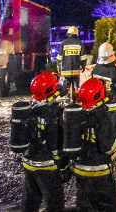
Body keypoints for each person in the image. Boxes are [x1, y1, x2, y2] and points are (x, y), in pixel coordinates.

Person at [13, 71, 68, 212]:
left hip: (29, 164)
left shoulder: (30, 108)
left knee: (30, 201)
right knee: (54, 203)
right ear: (50, 90)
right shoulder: (52, 113)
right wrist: (63, 166)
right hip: (47, 167)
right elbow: (54, 145)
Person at [71, 78, 116, 211]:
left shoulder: (75, 115)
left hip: (80, 172)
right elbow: (110, 148)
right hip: (100, 174)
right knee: (109, 206)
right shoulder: (102, 117)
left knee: (85, 206)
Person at [91, 42, 116, 158]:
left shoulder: (96, 69)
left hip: (101, 106)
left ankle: (104, 148)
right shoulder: (114, 71)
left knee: (104, 128)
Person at [58, 26, 84, 100]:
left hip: (66, 70)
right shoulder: (80, 43)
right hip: (76, 70)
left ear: (68, 34)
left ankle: (66, 98)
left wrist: (59, 66)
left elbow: (59, 57)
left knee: (66, 86)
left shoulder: (63, 43)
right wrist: (83, 66)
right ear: (76, 34)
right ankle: (76, 98)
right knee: (76, 86)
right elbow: (83, 57)